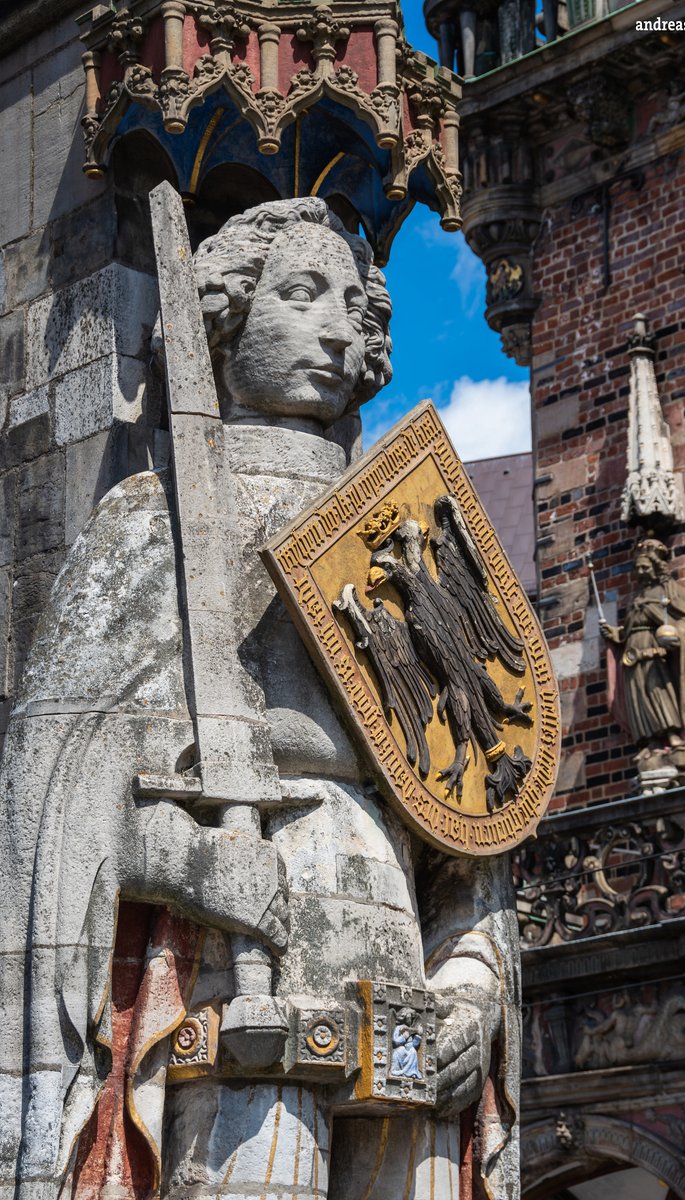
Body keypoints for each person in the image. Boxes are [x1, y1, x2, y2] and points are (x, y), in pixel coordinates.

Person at [0, 198, 520, 1200]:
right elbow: (49, 787)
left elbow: (476, 801)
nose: (336, 328)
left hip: (401, 982)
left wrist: (474, 984)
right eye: (298, 292)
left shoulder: (409, 533)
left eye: (351, 305)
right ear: (224, 319)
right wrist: (185, 859)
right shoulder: (152, 518)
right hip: (238, 981)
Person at [599, 538, 685, 771]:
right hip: (632, 654)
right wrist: (614, 633)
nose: (640, 572)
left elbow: (683, 621)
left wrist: (673, 633)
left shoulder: (668, 590)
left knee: (660, 692)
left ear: (656, 567)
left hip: (654, 652)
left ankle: (673, 736)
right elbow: (629, 628)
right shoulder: (637, 597)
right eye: (638, 568)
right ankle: (650, 741)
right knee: (639, 698)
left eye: (645, 567)